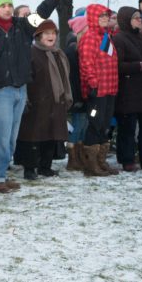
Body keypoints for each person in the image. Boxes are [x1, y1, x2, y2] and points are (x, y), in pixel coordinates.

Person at [0, 0, 71, 193]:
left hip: (21, 89)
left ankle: (2, 173)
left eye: (9, 4)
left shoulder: (22, 27)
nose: (6, 8)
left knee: (12, 140)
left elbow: (42, 12)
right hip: (2, 90)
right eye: (2, 5)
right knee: (3, 138)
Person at [15, 20, 73, 179]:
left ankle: (45, 167)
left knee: (51, 136)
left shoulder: (58, 53)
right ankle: (29, 169)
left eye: (53, 33)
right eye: (47, 33)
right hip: (36, 102)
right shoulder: (32, 53)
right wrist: (26, 98)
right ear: (39, 36)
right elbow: (26, 77)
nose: (51, 36)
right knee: (33, 137)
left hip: (55, 102)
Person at [113, 7, 142, 171]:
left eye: (140, 18)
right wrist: (140, 66)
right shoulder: (118, 39)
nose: (140, 20)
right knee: (127, 128)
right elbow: (117, 66)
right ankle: (127, 159)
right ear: (126, 20)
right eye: (135, 18)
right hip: (128, 91)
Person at [78, 4, 119, 177]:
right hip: (97, 92)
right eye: (101, 15)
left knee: (104, 125)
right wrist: (93, 84)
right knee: (95, 125)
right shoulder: (89, 38)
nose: (104, 18)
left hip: (109, 89)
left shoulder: (107, 37)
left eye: (106, 15)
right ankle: (91, 165)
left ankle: (101, 162)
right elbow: (87, 64)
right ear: (93, 17)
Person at [64, 15, 89, 171]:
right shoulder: (73, 50)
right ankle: (73, 159)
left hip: (82, 95)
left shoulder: (80, 48)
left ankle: (78, 156)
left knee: (83, 126)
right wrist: (77, 97)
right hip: (77, 95)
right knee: (78, 126)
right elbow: (73, 77)